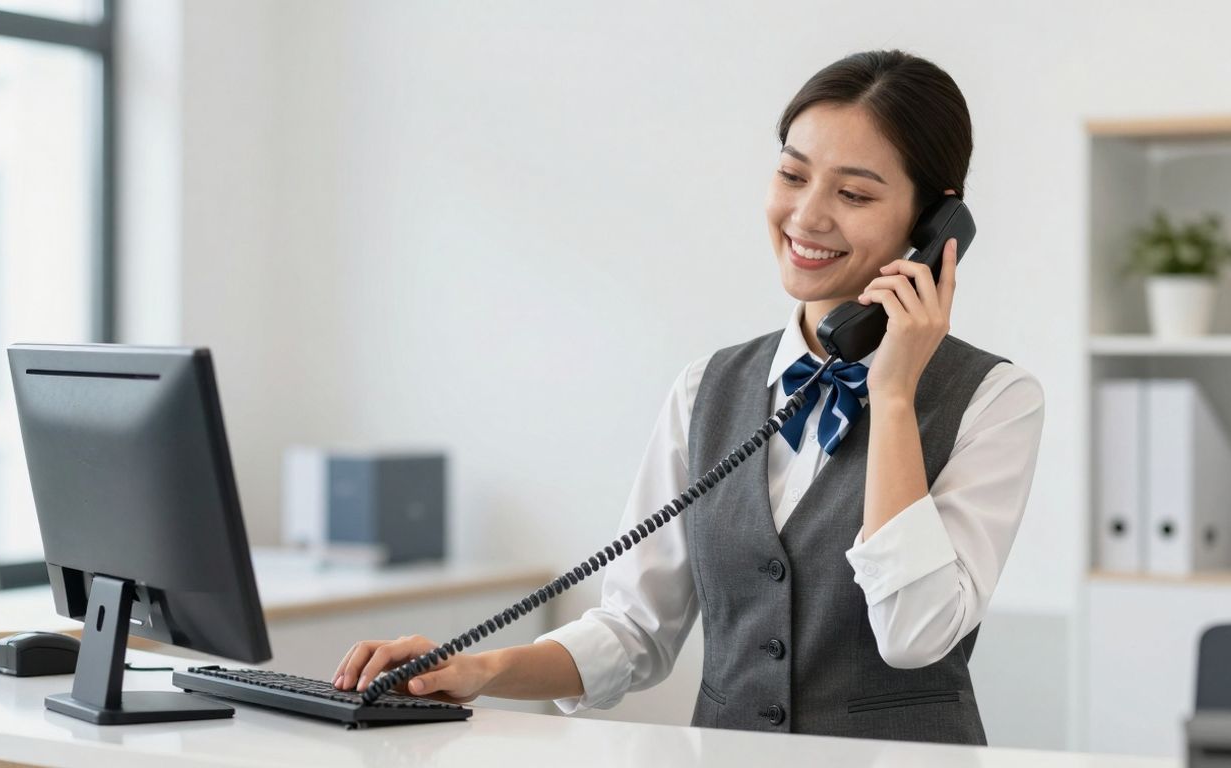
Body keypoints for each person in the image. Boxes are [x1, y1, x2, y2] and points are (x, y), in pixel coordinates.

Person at [332, 49, 1045, 745]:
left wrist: (891, 398)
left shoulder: (994, 400)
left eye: (853, 194)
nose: (807, 215)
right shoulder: (708, 389)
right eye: (793, 175)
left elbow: (914, 635)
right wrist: (477, 667)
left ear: (934, 228)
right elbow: (635, 627)